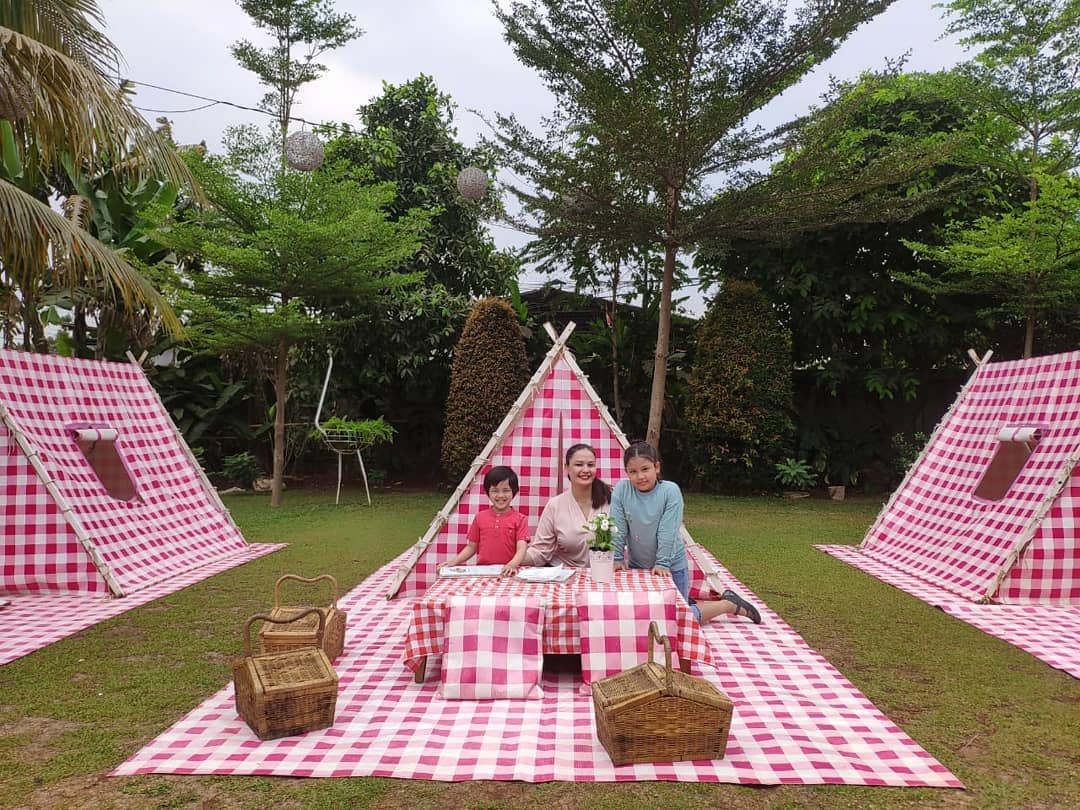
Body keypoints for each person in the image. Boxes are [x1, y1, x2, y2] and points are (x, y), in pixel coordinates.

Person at [610, 441, 762, 624]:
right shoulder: (622, 489)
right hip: (638, 568)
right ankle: (692, 603)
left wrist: (662, 563)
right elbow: (617, 526)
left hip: (670, 567)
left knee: (675, 621)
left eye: (645, 469)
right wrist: (617, 557)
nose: (640, 476)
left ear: (656, 467)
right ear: (626, 473)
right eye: (633, 471)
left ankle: (727, 604)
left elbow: (667, 531)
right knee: (643, 618)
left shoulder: (670, 491)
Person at [524, 443, 612, 567]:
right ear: (567, 468)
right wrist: (514, 556)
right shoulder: (555, 505)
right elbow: (540, 551)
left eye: (590, 465)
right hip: (564, 574)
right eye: (579, 464)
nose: (586, 470)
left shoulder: (612, 501)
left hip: (605, 572)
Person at [445, 466, 529, 576]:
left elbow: (522, 548)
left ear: (514, 492)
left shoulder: (521, 519)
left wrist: (512, 565)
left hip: (510, 572)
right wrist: (453, 562)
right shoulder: (480, 517)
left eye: (506, 490)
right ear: (487, 492)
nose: (500, 495)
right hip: (483, 572)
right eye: (495, 491)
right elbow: (471, 547)